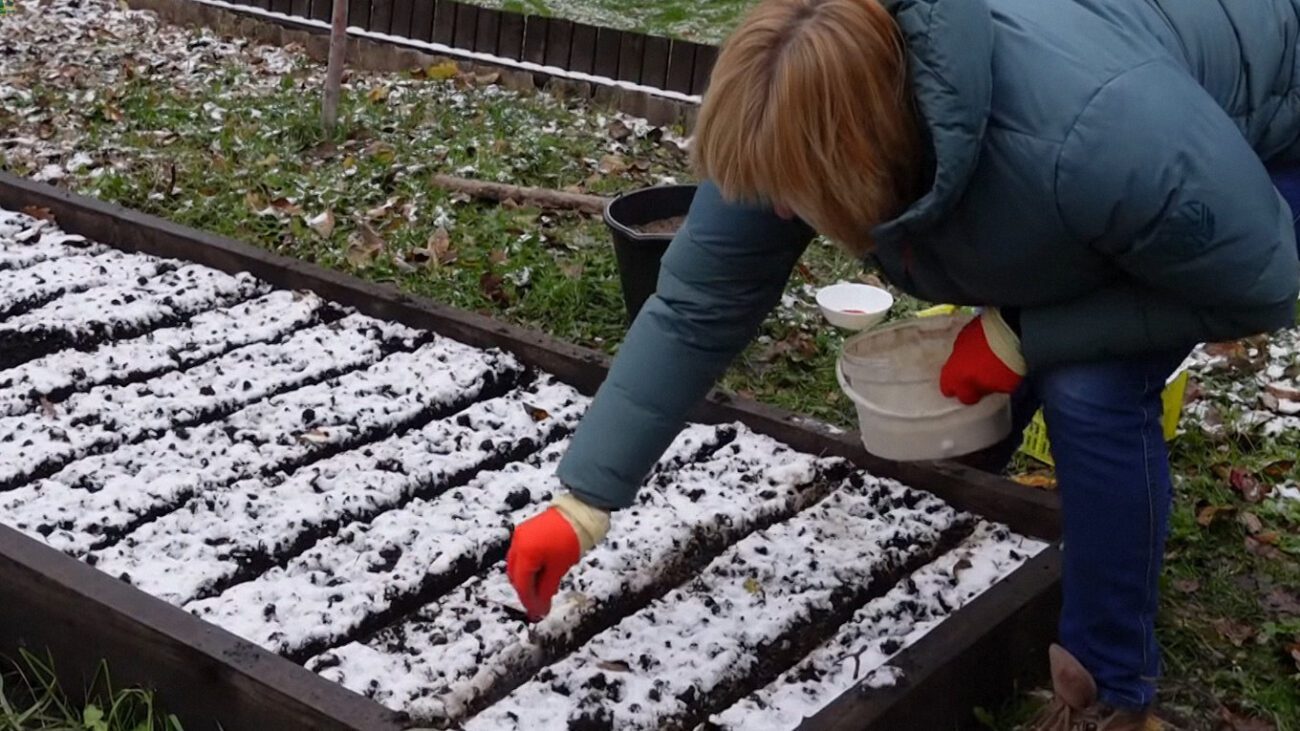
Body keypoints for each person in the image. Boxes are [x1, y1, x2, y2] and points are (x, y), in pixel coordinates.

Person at [505, 0, 1300, 727]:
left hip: (1258, 134)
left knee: (1090, 388)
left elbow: (1260, 284)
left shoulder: (1100, 136)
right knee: (1018, 311)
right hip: (1106, 140)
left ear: (862, 161)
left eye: (796, 195)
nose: (779, 213)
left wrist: (1019, 338)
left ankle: (1110, 684)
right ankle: (990, 523)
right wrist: (584, 502)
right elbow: (697, 304)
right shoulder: (796, 106)